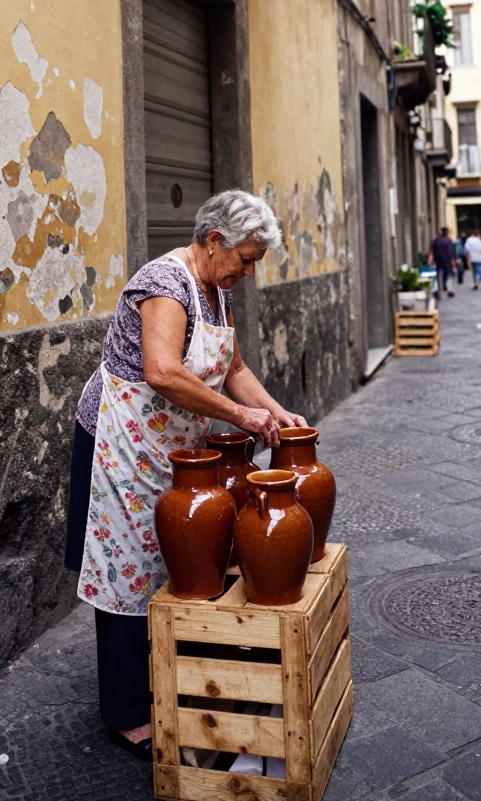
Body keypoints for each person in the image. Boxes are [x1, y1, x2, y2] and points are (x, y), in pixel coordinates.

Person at [63, 189, 308, 762]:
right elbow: (163, 371)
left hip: (172, 447)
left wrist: (274, 413)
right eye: (245, 259)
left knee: (178, 560)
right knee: (128, 570)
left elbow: (236, 368)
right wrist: (239, 415)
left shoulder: (217, 293)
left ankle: (174, 676)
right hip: (121, 442)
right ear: (213, 239)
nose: (248, 272)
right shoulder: (164, 285)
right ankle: (127, 715)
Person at [431, 226, 456, 297]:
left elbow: (432, 250)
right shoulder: (448, 240)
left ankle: (438, 288)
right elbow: (450, 252)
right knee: (446, 274)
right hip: (446, 260)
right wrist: (453, 261)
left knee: (438, 273)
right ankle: (445, 288)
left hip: (437, 259)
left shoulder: (436, 240)